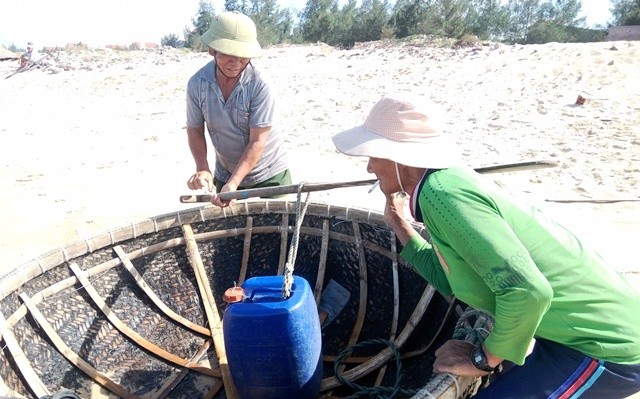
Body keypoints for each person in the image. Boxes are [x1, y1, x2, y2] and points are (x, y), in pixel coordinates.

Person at [331, 95, 640, 398]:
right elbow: (447, 277)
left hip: (608, 348)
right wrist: (399, 223)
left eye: (372, 155)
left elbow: (528, 292)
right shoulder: (443, 185)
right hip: (564, 334)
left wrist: (483, 359)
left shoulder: (442, 196)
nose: (370, 167)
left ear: (399, 158)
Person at [185, 11, 290, 208]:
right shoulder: (197, 84)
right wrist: (203, 169)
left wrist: (234, 183)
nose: (236, 63)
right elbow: (195, 129)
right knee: (231, 235)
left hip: (268, 172)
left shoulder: (260, 85)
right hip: (226, 171)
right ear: (212, 50)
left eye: (243, 56)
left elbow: (257, 140)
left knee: (276, 233)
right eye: (228, 55)